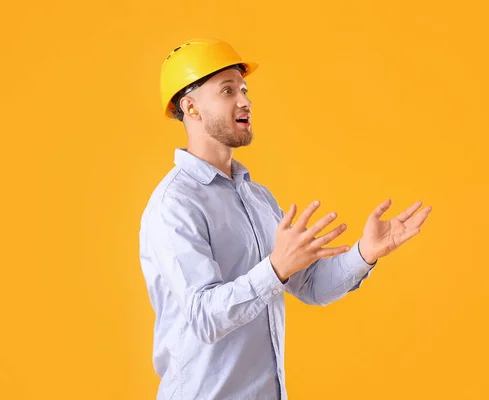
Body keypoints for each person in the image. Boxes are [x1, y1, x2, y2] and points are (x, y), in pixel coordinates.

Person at [139, 37, 432, 400]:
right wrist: (275, 268)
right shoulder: (175, 204)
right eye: (228, 91)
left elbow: (309, 286)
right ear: (191, 107)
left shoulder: (257, 197)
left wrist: (364, 253)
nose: (245, 100)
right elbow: (203, 316)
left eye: (244, 89)